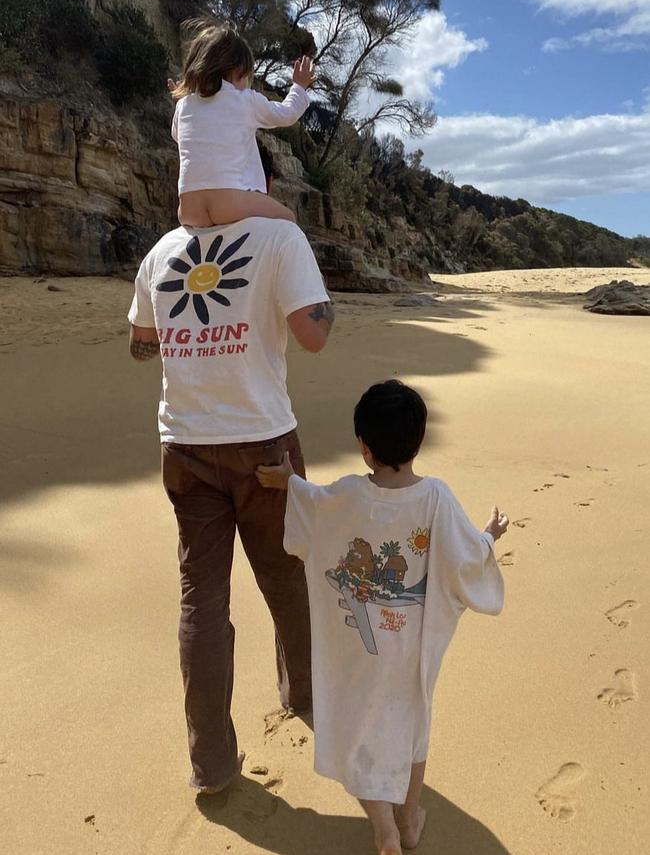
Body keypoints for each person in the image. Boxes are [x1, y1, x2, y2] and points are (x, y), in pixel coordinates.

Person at [127, 211, 334, 795]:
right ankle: (305, 693)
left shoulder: (161, 251)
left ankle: (212, 765)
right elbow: (315, 335)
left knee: (202, 601)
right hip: (262, 438)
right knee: (286, 575)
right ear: (260, 182)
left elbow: (142, 347)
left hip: (185, 442)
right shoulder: (279, 236)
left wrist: (189, 339)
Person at [257, 380, 509, 855]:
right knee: (413, 727)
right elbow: (468, 558)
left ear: (364, 448)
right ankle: (408, 820)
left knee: (358, 729)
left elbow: (312, 507)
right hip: (410, 652)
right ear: (419, 441)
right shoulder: (435, 497)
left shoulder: (347, 494)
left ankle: (383, 826)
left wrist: (287, 480)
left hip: (357, 650)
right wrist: (491, 536)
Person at [170, 19, 314, 228]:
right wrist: (299, 87)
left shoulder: (184, 105)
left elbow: (179, 137)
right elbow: (287, 114)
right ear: (238, 72)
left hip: (188, 210)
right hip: (229, 203)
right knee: (288, 220)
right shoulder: (245, 99)